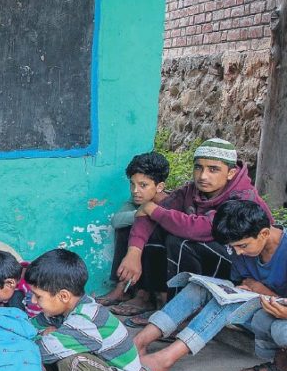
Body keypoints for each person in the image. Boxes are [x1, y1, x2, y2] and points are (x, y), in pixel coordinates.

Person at [116, 139, 273, 325]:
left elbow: (202, 229)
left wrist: (151, 208)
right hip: (216, 261)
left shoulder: (242, 197)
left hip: (243, 266)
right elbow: (146, 215)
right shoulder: (192, 191)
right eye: (198, 167)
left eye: (213, 169)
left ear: (230, 172)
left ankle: (181, 316)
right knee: (159, 228)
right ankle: (159, 300)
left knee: (180, 241)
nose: (203, 176)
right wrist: (134, 253)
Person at [132, 200, 287, 371]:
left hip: (279, 317)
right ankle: (139, 342)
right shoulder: (244, 248)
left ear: (265, 233)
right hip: (262, 308)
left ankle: (165, 360)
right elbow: (243, 281)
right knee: (200, 288)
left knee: (228, 303)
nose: (237, 253)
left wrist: (268, 293)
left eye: (243, 246)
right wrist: (247, 286)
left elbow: (258, 289)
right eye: (233, 247)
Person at [98, 152, 170, 316]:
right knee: (127, 226)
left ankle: (146, 296)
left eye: (143, 185)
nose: (135, 191)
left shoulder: (171, 204)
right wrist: (143, 212)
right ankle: (122, 288)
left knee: (154, 233)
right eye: (132, 184)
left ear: (159, 186)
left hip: (166, 271)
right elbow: (117, 221)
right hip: (138, 261)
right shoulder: (135, 202)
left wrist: (152, 213)